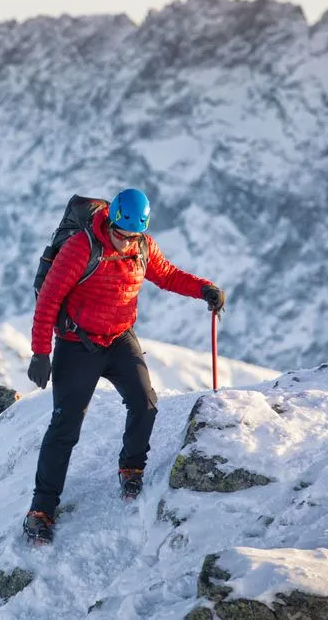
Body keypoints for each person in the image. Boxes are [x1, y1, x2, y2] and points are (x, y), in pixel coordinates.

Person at [22, 187, 225, 544]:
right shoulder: (80, 248)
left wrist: (204, 288)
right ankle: (41, 509)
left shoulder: (142, 247)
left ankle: (131, 467)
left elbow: (168, 275)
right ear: (111, 220)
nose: (123, 242)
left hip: (118, 339)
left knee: (144, 402)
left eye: (131, 236)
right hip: (76, 344)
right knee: (64, 427)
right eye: (119, 234)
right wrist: (40, 353)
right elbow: (49, 299)